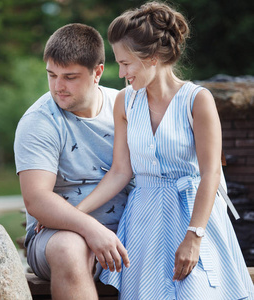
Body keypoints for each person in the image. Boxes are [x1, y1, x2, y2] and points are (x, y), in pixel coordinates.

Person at [77, 2, 254, 299]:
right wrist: (75, 213)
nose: (121, 73)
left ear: (154, 57)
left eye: (126, 63)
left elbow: (211, 173)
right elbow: (121, 171)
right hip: (143, 222)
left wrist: (194, 237)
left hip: (194, 218)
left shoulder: (198, 100)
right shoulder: (125, 102)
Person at [14, 23, 132, 300]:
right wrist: (92, 228)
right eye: (51, 75)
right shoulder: (39, 122)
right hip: (58, 236)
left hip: (128, 228)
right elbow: (37, 200)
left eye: (70, 77)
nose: (58, 87)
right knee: (71, 247)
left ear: (97, 72)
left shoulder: (125, 106)